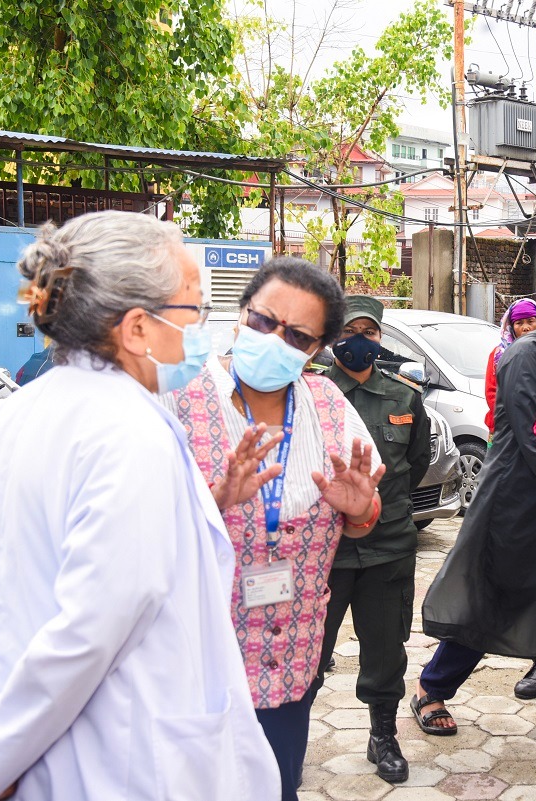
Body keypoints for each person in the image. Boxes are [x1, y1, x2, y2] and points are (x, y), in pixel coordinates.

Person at [0, 211, 281, 801]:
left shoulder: (20, 411)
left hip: (23, 742)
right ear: (137, 328)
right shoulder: (128, 432)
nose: (200, 332)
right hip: (115, 764)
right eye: (194, 310)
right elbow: (94, 628)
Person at [166, 258, 386, 801]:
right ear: (242, 315)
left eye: (297, 336)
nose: (274, 339)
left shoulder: (327, 404)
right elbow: (140, 532)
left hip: (291, 658)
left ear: (317, 349)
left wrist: (360, 510)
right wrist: (215, 501)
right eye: (265, 321)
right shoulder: (179, 396)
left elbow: (362, 522)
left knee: (277, 781)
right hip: (197, 662)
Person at [414, 271, 536, 734]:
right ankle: (432, 687)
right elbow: (535, 439)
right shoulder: (525, 355)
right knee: (489, 594)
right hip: (514, 497)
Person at [314, 295, 430, 784]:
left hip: (389, 546)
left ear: (381, 338)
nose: (359, 341)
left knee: (385, 650)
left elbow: (416, 465)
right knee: (310, 648)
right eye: (349, 331)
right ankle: (289, 734)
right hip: (326, 551)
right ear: (333, 337)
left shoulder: (405, 397)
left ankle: (383, 735)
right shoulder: (314, 393)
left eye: (369, 332)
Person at [484, 298, 536, 435]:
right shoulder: (499, 355)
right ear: (511, 326)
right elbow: (492, 393)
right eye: (519, 323)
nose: (525, 327)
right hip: (505, 426)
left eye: (530, 321)